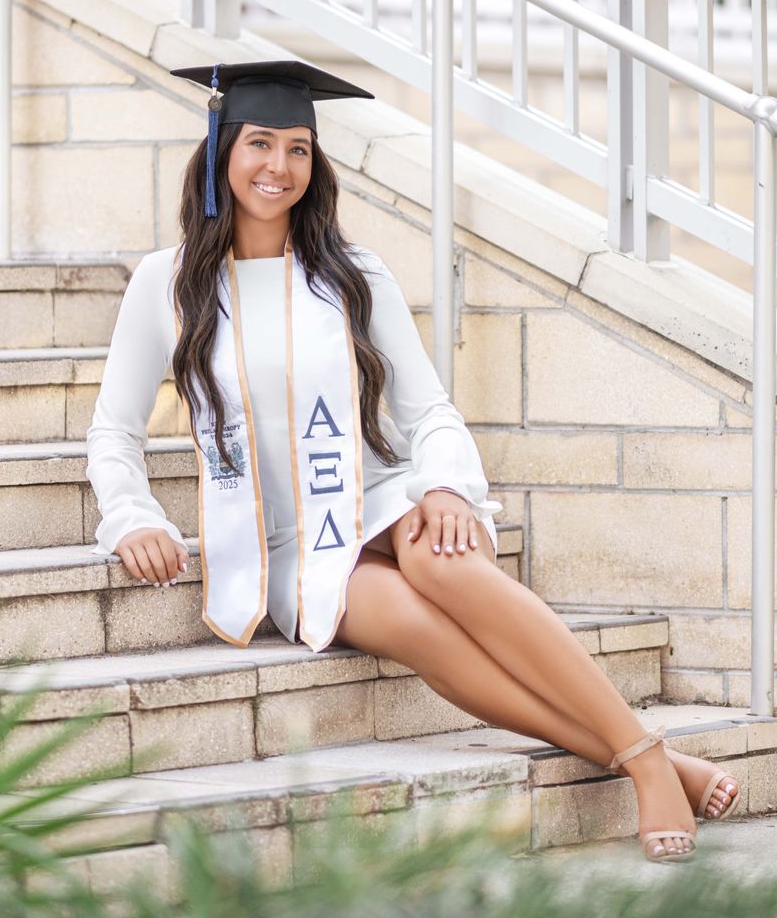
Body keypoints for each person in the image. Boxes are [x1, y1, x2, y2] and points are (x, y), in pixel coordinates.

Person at [85, 58, 740, 863]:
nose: (278, 168)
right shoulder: (169, 282)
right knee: (420, 626)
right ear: (222, 149)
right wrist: (131, 515)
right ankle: (652, 755)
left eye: (298, 149)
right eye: (260, 144)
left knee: (448, 562)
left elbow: (426, 410)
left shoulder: (351, 276)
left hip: (376, 495)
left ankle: (640, 763)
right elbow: (114, 432)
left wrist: (445, 487)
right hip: (280, 545)